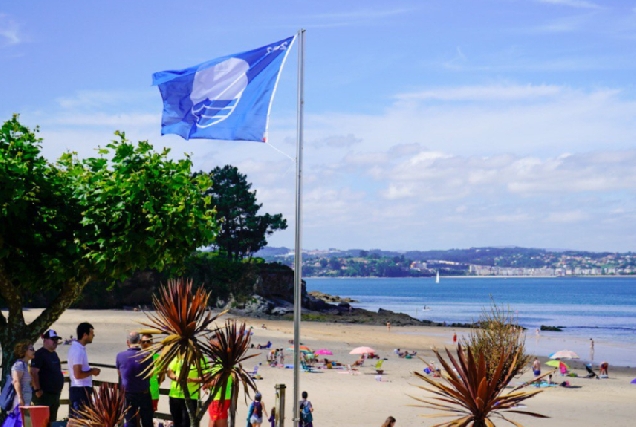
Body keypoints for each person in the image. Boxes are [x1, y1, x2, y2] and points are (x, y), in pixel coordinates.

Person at [116, 331, 154, 427]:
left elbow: (120, 374)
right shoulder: (147, 355)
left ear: (128, 342)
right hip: (143, 393)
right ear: (140, 341)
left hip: (128, 394)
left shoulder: (120, 356)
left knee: (130, 421)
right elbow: (150, 374)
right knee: (147, 421)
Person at [68, 322, 101, 418]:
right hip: (80, 390)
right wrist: (92, 372)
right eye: (91, 333)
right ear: (85, 335)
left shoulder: (79, 349)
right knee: (80, 419)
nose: (93, 335)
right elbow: (77, 374)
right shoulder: (77, 351)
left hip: (81, 389)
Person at [32, 330, 64, 423]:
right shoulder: (39, 354)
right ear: (45, 340)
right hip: (44, 395)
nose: (55, 342)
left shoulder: (54, 355)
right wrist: (37, 390)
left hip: (55, 395)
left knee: (52, 422)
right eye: (53, 339)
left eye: (56, 340)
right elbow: (34, 372)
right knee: (42, 421)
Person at [168, 357, 207, 427]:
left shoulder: (200, 358)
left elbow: (206, 376)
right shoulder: (179, 357)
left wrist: (191, 380)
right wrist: (175, 378)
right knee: (176, 422)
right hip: (175, 396)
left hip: (190, 397)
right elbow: (170, 371)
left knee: (186, 423)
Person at [11, 340, 35, 410]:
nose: (34, 351)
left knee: (27, 420)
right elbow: (16, 381)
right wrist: (20, 398)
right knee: (20, 420)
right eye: (31, 349)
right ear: (25, 351)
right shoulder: (19, 364)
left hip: (27, 400)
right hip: (20, 401)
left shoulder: (26, 365)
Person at [140, 333, 161, 412]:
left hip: (153, 393)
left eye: (148, 341)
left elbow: (162, 374)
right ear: (140, 342)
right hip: (138, 393)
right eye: (143, 342)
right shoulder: (136, 356)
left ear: (152, 342)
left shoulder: (157, 357)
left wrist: (157, 384)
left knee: (150, 418)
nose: (146, 344)